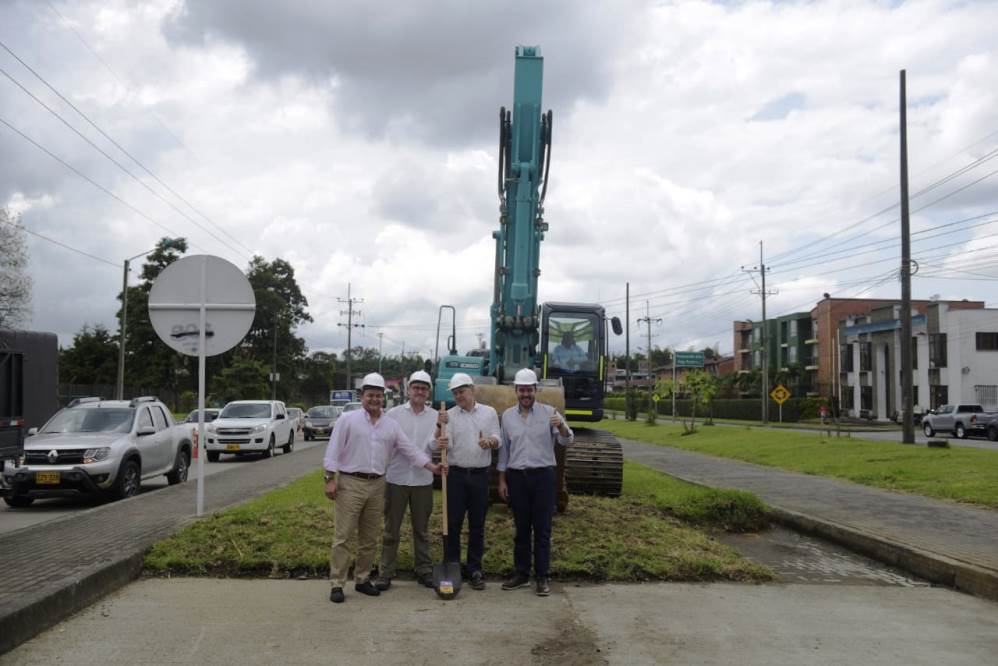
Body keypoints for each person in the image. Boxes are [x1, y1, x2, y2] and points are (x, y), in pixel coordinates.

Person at [323, 373, 445, 604]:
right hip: (350, 483)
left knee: (369, 537)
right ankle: (337, 582)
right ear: (362, 396)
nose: (375, 399)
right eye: (371, 395)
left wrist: (431, 466)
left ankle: (362, 579)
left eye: (379, 396)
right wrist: (329, 478)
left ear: (383, 398)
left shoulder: (390, 424)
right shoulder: (347, 420)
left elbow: (409, 449)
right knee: (344, 536)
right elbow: (333, 450)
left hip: (378, 484)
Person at [498, 368, 573, 596]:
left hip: (543, 477)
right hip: (517, 478)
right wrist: (502, 480)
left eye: (529, 390)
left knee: (542, 530)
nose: (525, 394)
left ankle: (542, 576)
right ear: (516, 391)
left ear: (535, 390)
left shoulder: (550, 412)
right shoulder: (508, 416)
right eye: (521, 390)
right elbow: (504, 451)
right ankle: (521, 574)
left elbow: (567, 440)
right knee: (521, 529)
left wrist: (560, 425)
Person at [375, 370, 443, 591]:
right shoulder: (393, 414)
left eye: (424, 388)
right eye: (416, 387)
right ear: (408, 390)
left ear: (428, 392)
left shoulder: (435, 416)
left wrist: (441, 436)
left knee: (421, 530)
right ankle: (385, 572)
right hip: (397, 479)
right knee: (391, 529)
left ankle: (424, 570)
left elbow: (433, 447)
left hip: (423, 481)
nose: (420, 391)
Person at [436, 372, 501, 590]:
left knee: (477, 525)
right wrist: (442, 438)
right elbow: (448, 444)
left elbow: (497, 438)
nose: (458, 396)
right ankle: (453, 565)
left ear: (472, 390)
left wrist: (490, 442)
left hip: (480, 476)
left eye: (461, 391)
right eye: (455, 393)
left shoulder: (489, 412)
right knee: (452, 524)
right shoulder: (449, 416)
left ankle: (474, 568)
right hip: (456, 476)